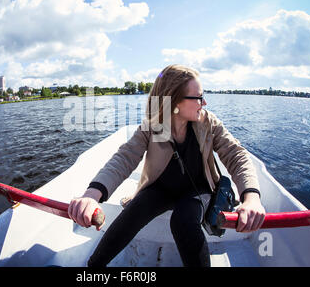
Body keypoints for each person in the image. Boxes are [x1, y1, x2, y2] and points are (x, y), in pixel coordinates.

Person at [68, 64, 265, 267]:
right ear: (174, 102)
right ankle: (92, 269)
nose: (204, 102)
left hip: (197, 190)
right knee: (132, 213)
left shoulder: (207, 123)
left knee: (183, 221)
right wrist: (92, 195)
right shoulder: (155, 126)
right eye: (198, 97)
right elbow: (125, 158)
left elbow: (236, 155)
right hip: (160, 189)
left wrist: (251, 198)